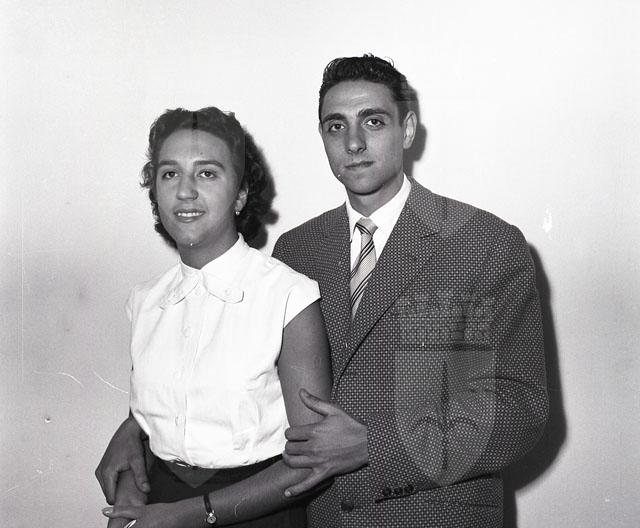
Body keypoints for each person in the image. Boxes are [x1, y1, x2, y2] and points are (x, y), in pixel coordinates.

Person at [98, 56, 549, 527]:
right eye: (336, 126)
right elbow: (238, 381)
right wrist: (136, 429)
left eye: (373, 122)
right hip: (319, 517)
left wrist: (375, 444)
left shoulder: (483, 243)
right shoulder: (298, 249)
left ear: (408, 130)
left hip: (435, 515)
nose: (353, 143)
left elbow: (522, 407)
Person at [99, 107, 331, 528]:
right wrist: (130, 497)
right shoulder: (145, 301)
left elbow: (312, 461)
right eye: (170, 174)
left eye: (207, 173)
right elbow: (150, 422)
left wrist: (189, 514)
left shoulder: (288, 296)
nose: (185, 191)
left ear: (240, 194)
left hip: (257, 510)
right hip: (162, 506)